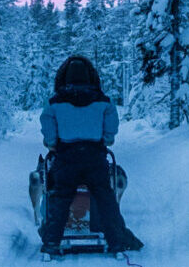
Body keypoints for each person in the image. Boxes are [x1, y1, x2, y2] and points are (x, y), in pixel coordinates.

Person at [39, 55, 142, 255]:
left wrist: (52, 143)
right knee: (105, 197)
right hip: (95, 157)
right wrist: (106, 138)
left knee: (60, 198)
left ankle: (51, 243)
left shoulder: (53, 102)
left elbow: (47, 124)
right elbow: (111, 126)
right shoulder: (104, 101)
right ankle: (116, 242)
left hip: (66, 157)